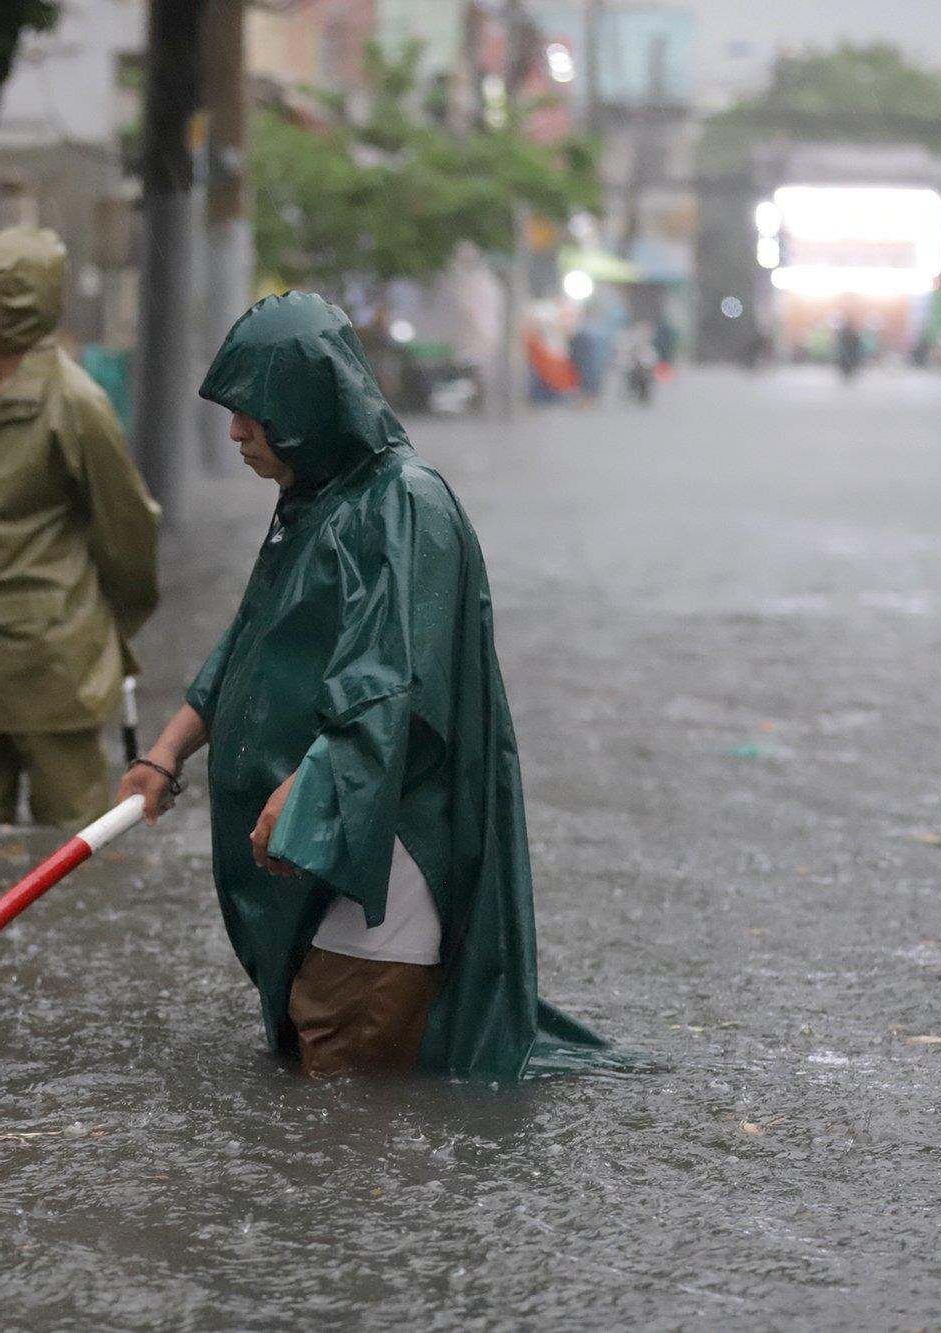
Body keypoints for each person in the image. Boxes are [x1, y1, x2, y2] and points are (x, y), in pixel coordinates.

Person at [117, 292, 609, 1080]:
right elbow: (252, 639)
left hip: (383, 855)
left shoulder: (405, 505)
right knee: (324, 1050)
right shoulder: (313, 501)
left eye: (252, 411)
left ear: (308, 406)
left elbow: (395, 683)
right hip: (318, 842)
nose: (236, 431)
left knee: (344, 1073)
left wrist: (308, 787)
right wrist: (166, 752)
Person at [0, 227, 160, 826]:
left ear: (25, 295)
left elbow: (128, 533)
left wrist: (99, 633)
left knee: (69, 850)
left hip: (54, 666)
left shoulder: (76, 404)